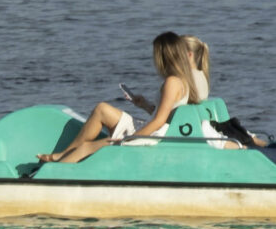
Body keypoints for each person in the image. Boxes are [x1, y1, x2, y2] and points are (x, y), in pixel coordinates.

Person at [31, 32, 197, 170]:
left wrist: (130, 139)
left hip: (154, 137)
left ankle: (53, 174)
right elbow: (166, 115)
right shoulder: (180, 80)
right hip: (155, 131)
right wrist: (144, 104)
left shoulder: (172, 82)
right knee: (102, 109)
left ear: (164, 56)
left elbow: (160, 121)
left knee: (86, 148)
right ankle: (64, 155)